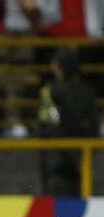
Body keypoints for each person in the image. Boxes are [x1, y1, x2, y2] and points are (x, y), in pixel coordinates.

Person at [38, 47, 99, 196]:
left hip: (57, 165)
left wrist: (71, 156)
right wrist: (80, 159)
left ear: (59, 66)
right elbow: (94, 127)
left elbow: (51, 125)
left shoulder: (50, 91)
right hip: (83, 163)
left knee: (57, 216)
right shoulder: (88, 91)